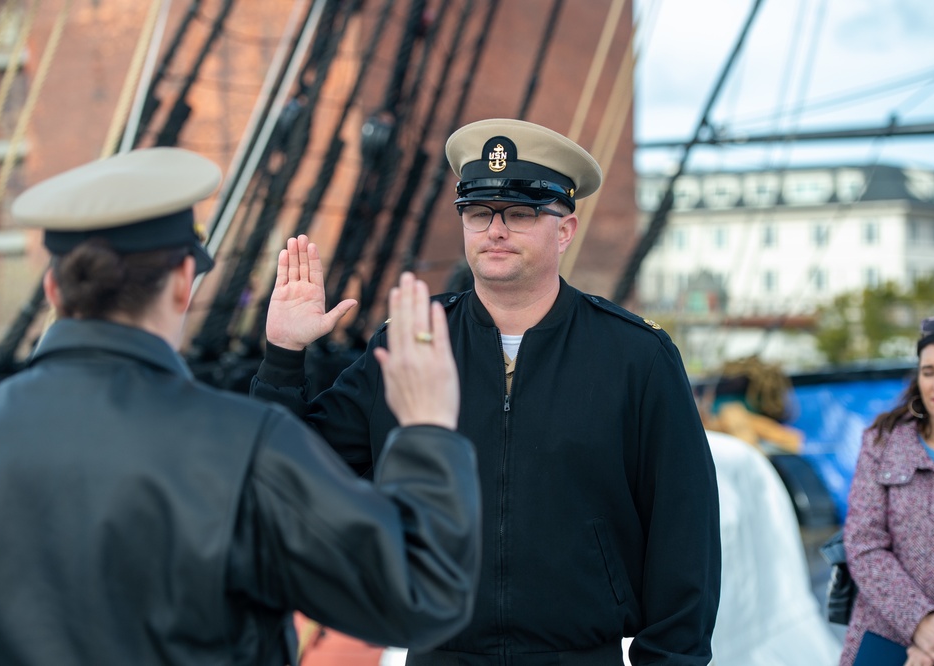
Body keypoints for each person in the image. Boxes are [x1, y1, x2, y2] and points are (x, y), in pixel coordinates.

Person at [0, 147, 482, 666]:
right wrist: (428, 430)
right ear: (184, 282)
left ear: (52, 287)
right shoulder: (243, 446)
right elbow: (421, 596)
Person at [251, 118, 722, 664]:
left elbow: (684, 541)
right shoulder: (410, 343)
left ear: (564, 229)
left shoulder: (635, 357)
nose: (495, 230)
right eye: (479, 213)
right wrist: (284, 355)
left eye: (520, 214)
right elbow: (286, 480)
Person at [841, 316, 934, 666]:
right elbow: (863, 542)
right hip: (884, 631)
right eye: (928, 371)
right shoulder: (882, 442)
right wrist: (918, 621)